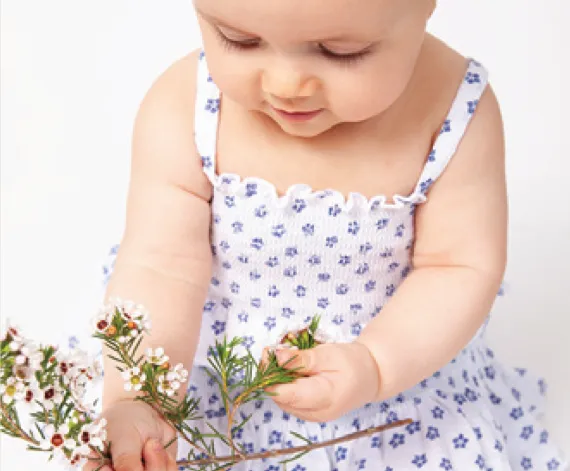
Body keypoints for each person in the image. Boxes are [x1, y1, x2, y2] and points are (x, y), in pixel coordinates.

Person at [84, 0, 566, 469]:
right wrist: (142, 398)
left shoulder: (452, 111)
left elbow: (458, 268)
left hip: (393, 374)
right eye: (240, 40)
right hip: (210, 370)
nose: (286, 84)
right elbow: (160, 263)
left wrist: (375, 364)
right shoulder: (186, 105)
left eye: (341, 52)